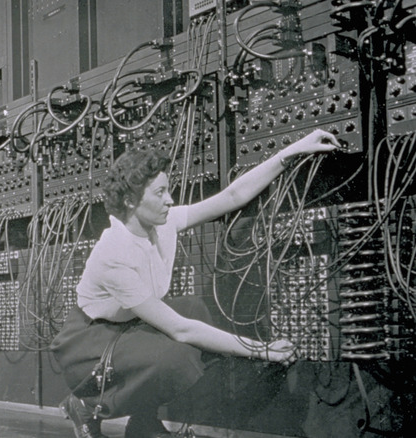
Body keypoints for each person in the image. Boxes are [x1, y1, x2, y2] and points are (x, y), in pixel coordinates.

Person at [50, 129, 340, 438]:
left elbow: (231, 197)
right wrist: (262, 350)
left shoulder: (162, 223)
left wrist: (293, 150)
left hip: (124, 328)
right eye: (159, 192)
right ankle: (84, 403)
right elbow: (180, 329)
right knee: (174, 357)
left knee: (192, 308)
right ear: (131, 200)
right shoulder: (114, 253)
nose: (169, 199)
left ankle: (143, 422)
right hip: (89, 343)